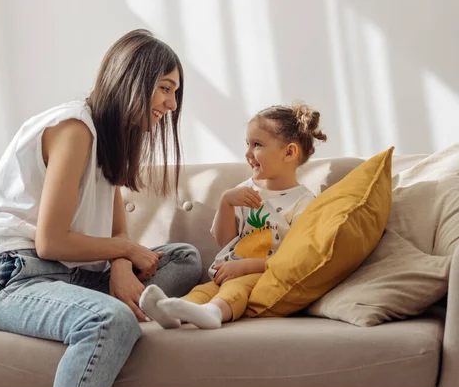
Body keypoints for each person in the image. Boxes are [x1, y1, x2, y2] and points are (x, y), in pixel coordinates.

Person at [0, 29, 202, 387]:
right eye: (166, 89)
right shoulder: (75, 128)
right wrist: (123, 253)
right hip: (12, 278)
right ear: (133, 79)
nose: (172, 105)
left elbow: (118, 232)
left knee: (184, 258)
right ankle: (101, 314)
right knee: (111, 320)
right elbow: (50, 242)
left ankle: (103, 302)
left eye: (175, 93)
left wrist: (122, 269)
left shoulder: (113, 136)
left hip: (72, 275)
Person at [140, 102, 327, 329]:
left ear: (289, 152)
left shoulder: (303, 203)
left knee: (235, 289)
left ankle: (213, 313)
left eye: (257, 144)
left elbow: (295, 259)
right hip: (227, 272)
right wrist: (226, 202)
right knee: (203, 290)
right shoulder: (245, 190)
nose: (248, 153)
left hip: (263, 276)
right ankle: (171, 313)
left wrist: (247, 266)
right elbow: (225, 242)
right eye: (247, 144)